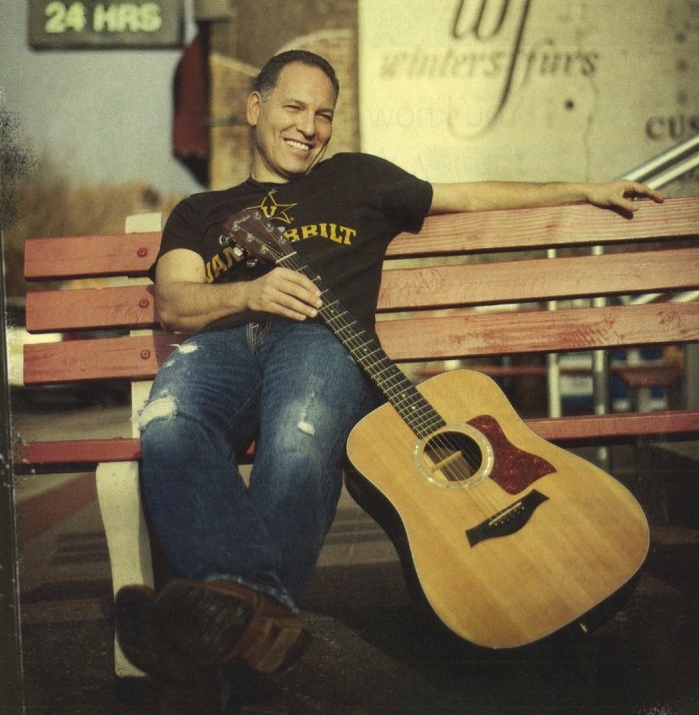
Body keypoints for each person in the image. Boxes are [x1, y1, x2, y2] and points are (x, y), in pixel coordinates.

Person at [115, 49, 664, 691]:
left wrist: (586, 187)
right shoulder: (200, 211)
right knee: (168, 422)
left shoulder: (357, 178)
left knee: (300, 431)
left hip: (321, 338)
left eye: (324, 114)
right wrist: (248, 292)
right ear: (254, 107)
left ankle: (222, 620)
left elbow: (470, 196)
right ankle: (257, 614)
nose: (310, 127)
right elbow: (176, 303)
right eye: (294, 107)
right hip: (222, 343)